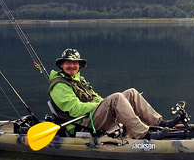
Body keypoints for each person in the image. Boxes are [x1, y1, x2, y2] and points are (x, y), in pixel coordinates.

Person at [48, 48, 181, 140]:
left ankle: (160, 123)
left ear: (79, 65)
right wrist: (104, 104)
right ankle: (143, 134)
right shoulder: (59, 85)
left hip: (91, 117)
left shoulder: (79, 80)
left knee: (131, 93)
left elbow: (96, 98)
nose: (72, 66)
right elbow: (75, 110)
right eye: (68, 63)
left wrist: (106, 102)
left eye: (75, 62)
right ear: (61, 65)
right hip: (81, 124)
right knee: (116, 98)